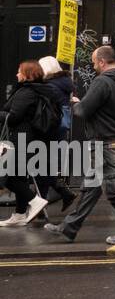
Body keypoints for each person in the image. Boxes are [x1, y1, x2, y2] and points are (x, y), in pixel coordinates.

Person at [44, 45, 115, 244]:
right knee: (91, 186)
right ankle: (69, 227)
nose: (92, 65)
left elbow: (82, 111)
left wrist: (75, 103)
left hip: (104, 140)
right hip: (114, 137)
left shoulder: (102, 82)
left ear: (102, 61)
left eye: (93, 62)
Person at [0, 61, 58, 227]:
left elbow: (14, 117)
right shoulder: (37, 90)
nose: (17, 74)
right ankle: (19, 214)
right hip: (27, 138)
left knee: (8, 177)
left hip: (20, 139)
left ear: (28, 75)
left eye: (20, 72)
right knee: (18, 176)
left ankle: (35, 201)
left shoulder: (26, 92)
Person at [38, 56, 78, 210]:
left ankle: (56, 195)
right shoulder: (65, 83)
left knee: (42, 166)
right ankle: (42, 205)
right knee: (45, 166)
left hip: (50, 128)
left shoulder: (50, 86)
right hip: (61, 128)